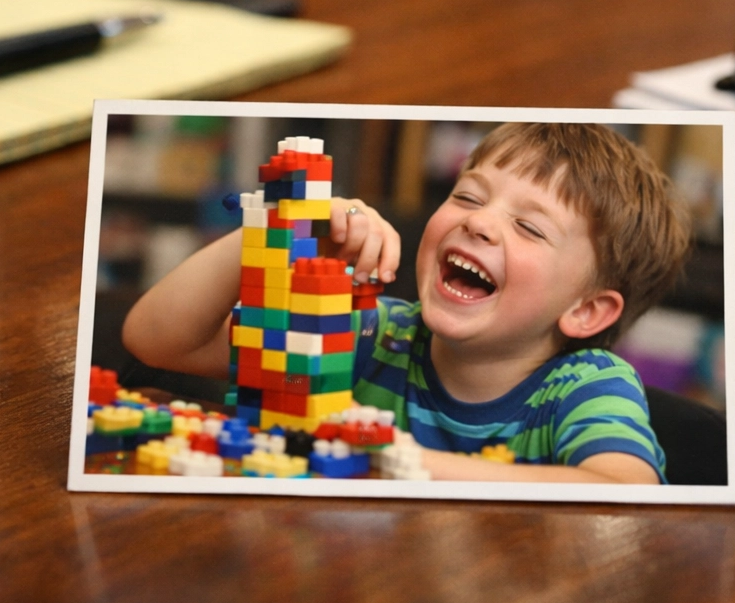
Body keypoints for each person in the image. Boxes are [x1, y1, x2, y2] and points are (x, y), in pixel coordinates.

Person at [123, 122, 691, 484]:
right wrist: (276, 228)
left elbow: (622, 493)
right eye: (469, 195)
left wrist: (399, 462)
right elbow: (160, 341)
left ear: (587, 311)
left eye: (530, 228)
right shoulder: (377, 334)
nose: (479, 221)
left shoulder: (588, 385)